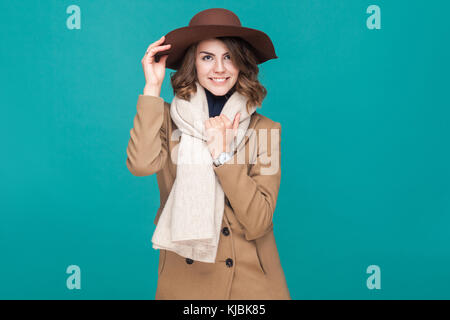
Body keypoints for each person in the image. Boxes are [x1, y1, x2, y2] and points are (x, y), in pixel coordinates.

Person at [126, 8, 290, 300]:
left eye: (229, 57)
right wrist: (152, 87)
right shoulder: (165, 119)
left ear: (242, 64)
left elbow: (259, 221)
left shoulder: (266, 130)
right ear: (193, 64)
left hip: (250, 282)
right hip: (184, 276)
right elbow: (140, 165)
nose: (219, 68)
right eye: (207, 57)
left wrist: (222, 155)